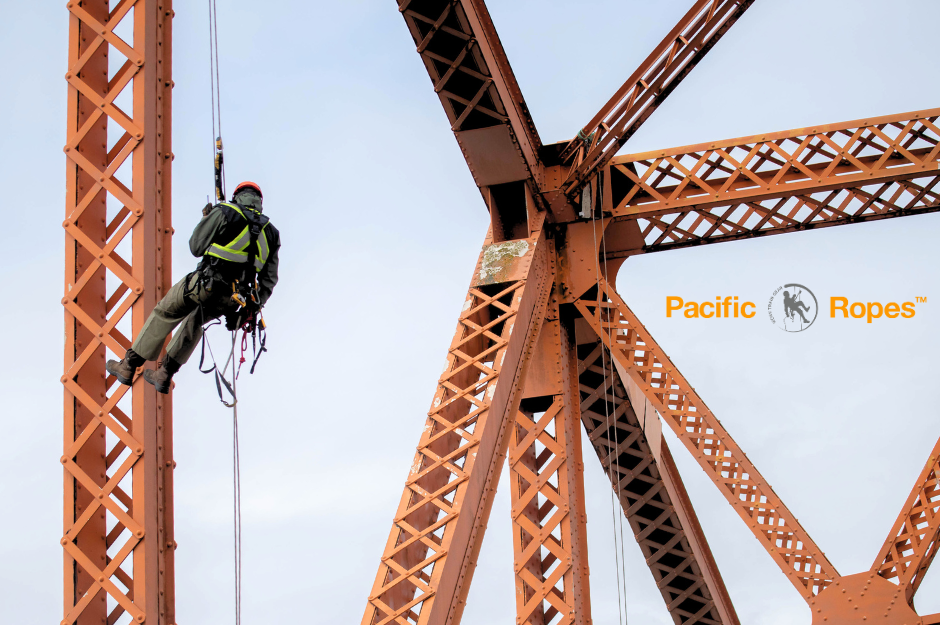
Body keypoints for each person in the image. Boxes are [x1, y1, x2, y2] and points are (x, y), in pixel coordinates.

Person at [106, 181, 281, 393]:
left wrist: (207, 219)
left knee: (165, 312)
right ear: (259, 202)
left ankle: (129, 365)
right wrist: (249, 311)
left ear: (237, 196)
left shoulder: (226, 211)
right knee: (196, 322)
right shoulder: (271, 233)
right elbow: (268, 281)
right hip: (232, 299)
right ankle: (165, 374)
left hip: (204, 285)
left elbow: (196, 246)